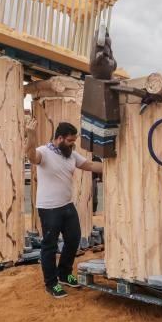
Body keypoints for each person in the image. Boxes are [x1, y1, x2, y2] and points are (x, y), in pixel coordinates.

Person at [25, 120, 104, 298]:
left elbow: (90, 166)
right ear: (59, 138)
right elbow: (30, 155)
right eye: (69, 140)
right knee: (50, 246)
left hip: (67, 205)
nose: (72, 143)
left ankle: (64, 274)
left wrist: (112, 167)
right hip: (49, 208)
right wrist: (31, 135)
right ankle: (51, 283)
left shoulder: (70, 154)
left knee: (74, 239)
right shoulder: (44, 152)